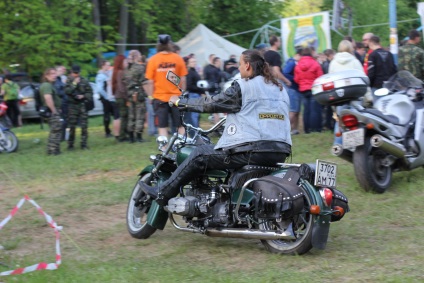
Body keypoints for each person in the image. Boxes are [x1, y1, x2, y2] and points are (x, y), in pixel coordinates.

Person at [139, 49, 292, 206]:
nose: (238, 68)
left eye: (239, 64)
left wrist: (181, 102)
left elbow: (212, 103)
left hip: (253, 150)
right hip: (281, 150)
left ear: (247, 65)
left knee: (199, 154)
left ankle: (162, 193)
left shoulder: (244, 87)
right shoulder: (279, 88)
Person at [145, 34, 188, 138]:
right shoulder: (178, 58)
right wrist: (181, 92)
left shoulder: (153, 60)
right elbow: (183, 79)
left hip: (159, 98)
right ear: (170, 44)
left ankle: (164, 150)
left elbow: (150, 82)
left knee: (162, 127)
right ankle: (184, 148)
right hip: (175, 98)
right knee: (180, 126)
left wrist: (151, 96)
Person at [329, 40, 365, 145]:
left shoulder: (333, 63)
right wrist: (368, 97)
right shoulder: (355, 61)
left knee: (340, 120)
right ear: (351, 49)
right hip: (354, 96)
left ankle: (338, 144)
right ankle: (354, 144)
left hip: (339, 97)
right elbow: (362, 79)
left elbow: (330, 80)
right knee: (356, 120)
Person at [294, 47, 324, 133]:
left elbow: (296, 79)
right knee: (315, 110)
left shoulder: (298, 65)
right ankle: (316, 129)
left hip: (303, 90)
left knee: (306, 111)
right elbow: (320, 77)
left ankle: (306, 129)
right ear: (311, 53)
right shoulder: (315, 63)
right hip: (314, 89)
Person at [64, 65, 93, 150]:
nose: (76, 74)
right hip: (72, 105)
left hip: (82, 104)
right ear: (71, 72)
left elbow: (90, 92)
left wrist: (83, 96)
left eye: (77, 73)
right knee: (72, 125)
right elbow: (67, 91)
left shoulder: (84, 80)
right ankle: (70, 144)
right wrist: (74, 83)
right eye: (74, 73)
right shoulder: (68, 80)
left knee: (84, 125)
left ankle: (84, 144)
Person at [125, 50, 148, 143]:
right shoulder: (140, 68)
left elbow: (125, 81)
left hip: (129, 93)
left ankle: (131, 137)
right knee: (140, 114)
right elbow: (144, 81)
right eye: (139, 55)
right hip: (138, 93)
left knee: (131, 115)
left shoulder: (127, 69)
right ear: (136, 56)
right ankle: (139, 136)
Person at [39, 68, 61, 155]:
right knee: (55, 130)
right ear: (46, 76)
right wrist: (54, 111)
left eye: (55, 73)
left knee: (56, 129)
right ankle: (52, 150)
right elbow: (48, 98)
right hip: (51, 111)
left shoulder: (49, 85)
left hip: (53, 110)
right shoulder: (46, 85)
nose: (54, 75)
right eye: (52, 74)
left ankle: (54, 149)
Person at [96, 60, 120, 138]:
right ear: (103, 65)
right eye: (107, 65)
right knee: (107, 115)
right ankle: (107, 131)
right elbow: (99, 89)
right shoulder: (100, 76)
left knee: (113, 114)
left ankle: (113, 131)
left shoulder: (107, 74)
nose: (109, 67)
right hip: (105, 98)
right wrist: (106, 96)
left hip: (109, 97)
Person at [282, 47, 302, 135]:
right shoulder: (292, 63)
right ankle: (285, 130)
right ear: (297, 55)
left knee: (297, 111)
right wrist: (294, 79)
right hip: (292, 89)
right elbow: (285, 73)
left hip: (296, 89)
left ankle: (295, 129)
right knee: (293, 111)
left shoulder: (295, 63)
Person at [184, 56, 203, 136]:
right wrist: (199, 88)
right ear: (188, 63)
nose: (194, 63)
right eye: (192, 62)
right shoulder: (190, 73)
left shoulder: (194, 71)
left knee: (196, 115)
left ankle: (196, 131)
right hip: (193, 95)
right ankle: (195, 133)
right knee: (194, 115)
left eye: (195, 61)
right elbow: (189, 86)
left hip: (196, 95)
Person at [111, 55, 128, 141]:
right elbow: (122, 87)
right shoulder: (121, 72)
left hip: (118, 97)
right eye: (125, 62)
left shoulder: (116, 72)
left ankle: (123, 134)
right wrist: (127, 98)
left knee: (122, 116)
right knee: (124, 116)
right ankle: (122, 136)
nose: (126, 63)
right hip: (122, 97)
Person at [54, 65, 67, 140]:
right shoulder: (56, 81)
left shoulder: (60, 79)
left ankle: (63, 136)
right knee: (61, 120)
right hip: (60, 103)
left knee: (64, 120)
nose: (61, 72)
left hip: (64, 102)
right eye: (59, 71)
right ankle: (61, 137)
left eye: (61, 71)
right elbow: (58, 92)